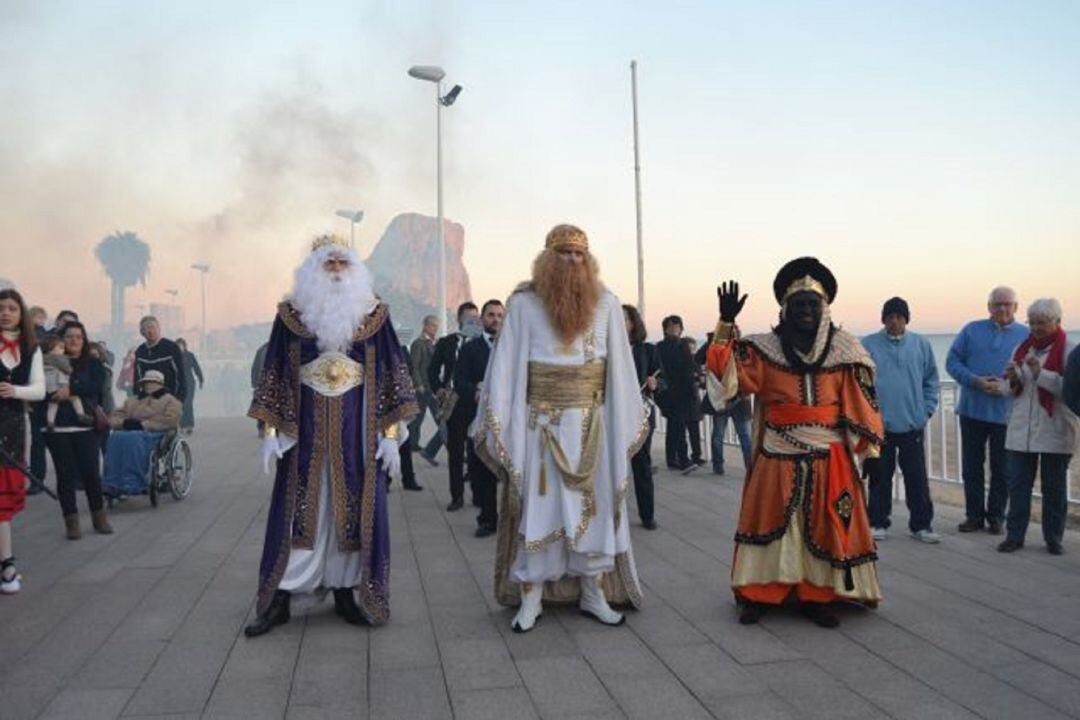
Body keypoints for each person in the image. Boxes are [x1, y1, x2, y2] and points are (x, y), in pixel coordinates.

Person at [472, 224, 647, 633]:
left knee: (596, 511)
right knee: (539, 512)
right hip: (541, 430)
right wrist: (504, 426)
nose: (572, 260)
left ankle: (593, 592)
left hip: (592, 430)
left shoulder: (607, 304)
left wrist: (623, 422)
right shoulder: (523, 305)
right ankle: (531, 598)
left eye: (579, 254)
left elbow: (619, 372)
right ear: (548, 258)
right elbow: (506, 370)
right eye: (564, 253)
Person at [244, 234, 417, 637]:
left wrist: (390, 433)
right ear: (313, 269)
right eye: (328, 264)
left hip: (356, 435)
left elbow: (393, 373)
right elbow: (274, 373)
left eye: (343, 264)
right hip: (303, 433)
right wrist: (270, 430)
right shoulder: (291, 314)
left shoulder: (375, 314)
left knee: (354, 513)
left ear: (355, 269)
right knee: (296, 512)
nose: (337, 272)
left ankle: (345, 591)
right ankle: (280, 599)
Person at [706, 259, 885, 628]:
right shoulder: (762, 349)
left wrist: (871, 451)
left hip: (830, 456)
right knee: (769, 523)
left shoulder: (847, 351)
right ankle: (758, 594)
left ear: (825, 308)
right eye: (798, 304)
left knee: (825, 525)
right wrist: (724, 326)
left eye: (812, 304)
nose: (805, 310)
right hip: (776, 454)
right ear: (784, 309)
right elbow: (727, 381)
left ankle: (816, 596)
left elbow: (863, 402)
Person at [997, 299, 1078, 555]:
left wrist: (1040, 373)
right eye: (1032, 322)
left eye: (1042, 322)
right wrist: (1010, 379)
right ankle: (1014, 536)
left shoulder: (1069, 350)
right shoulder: (1022, 349)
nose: (1036, 328)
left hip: (1055, 429)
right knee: (1018, 485)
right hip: (1023, 431)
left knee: (1054, 488)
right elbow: (1009, 391)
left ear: (1057, 322)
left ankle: (1053, 538)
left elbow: (1072, 391)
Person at [946, 286, 1028, 535]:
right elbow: (952, 362)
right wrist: (975, 381)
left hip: (1006, 415)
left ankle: (996, 517)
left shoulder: (1026, 336)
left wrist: (1005, 386)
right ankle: (974, 516)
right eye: (997, 304)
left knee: (1002, 470)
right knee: (971, 468)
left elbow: (1030, 375)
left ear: (1016, 306)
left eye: (1007, 304)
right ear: (989, 307)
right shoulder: (971, 330)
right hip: (972, 411)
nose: (1002, 308)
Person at [862, 297, 941, 543]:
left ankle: (921, 525)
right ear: (883, 319)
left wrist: (926, 411)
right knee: (879, 477)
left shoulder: (921, 344)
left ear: (907, 319)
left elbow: (931, 380)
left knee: (916, 477)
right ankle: (877, 522)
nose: (894, 321)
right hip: (879, 426)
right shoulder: (868, 345)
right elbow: (859, 383)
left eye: (899, 317)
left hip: (912, 424)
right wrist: (867, 415)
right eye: (889, 317)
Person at [43, 321, 113, 539]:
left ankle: (99, 518)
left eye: (78, 337)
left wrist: (71, 389)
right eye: (69, 336)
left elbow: (97, 386)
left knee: (91, 473)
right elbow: (39, 389)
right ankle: (71, 522)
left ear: (84, 340)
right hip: (57, 428)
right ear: (61, 340)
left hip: (85, 427)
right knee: (65, 476)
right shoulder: (47, 361)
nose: (74, 340)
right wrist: (54, 392)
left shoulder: (92, 364)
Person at [0, 289, 45, 594]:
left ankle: (7, 566)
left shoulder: (31, 349)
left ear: (21, 314)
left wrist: (15, 392)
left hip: (14, 429)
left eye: (12, 308)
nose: (5, 313)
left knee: (3, 502)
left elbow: (39, 390)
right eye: (1, 308)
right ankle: (8, 565)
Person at [455, 299, 504, 537]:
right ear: (482, 319)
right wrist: (475, 389)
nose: (495, 319)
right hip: (478, 420)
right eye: (491, 315)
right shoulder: (469, 348)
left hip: (508, 421)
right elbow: (459, 381)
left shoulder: (513, 349)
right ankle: (487, 519)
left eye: (499, 315)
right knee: (481, 472)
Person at [428, 301, 480, 509]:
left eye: (476, 318)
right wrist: (438, 388)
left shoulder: (483, 344)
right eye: (469, 318)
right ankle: (456, 496)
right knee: (456, 452)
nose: (473, 322)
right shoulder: (446, 343)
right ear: (459, 319)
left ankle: (479, 495)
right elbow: (433, 370)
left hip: (476, 402)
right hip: (453, 403)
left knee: (477, 452)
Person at [102, 370, 183, 497]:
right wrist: (124, 423)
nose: (149, 385)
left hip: (155, 434)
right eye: (147, 382)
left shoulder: (171, 401)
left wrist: (143, 425)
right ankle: (111, 482)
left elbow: (171, 421)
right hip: (130, 432)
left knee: (133, 438)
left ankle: (133, 482)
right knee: (115, 437)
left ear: (160, 384)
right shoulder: (132, 400)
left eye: (153, 382)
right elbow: (114, 416)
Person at [625, 304, 662, 529]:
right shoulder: (604, 350)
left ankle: (647, 515)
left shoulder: (648, 350)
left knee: (642, 465)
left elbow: (662, 378)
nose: (621, 323)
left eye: (625, 319)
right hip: (612, 417)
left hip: (641, 414)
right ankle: (608, 516)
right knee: (611, 468)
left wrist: (655, 383)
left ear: (634, 323)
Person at [696, 329, 753, 476]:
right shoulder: (714, 347)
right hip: (723, 398)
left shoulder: (742, 347)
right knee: (720, 435)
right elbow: (697, 359)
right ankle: (719, 465)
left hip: (738, 398)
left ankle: (750, 467)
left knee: (743, 436)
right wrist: (711, 342)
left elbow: (752, 369)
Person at [656, 315, 699, 473]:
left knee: (675, 426)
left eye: (677, 326)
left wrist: (692, 390)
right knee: (678, 426)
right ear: (665, 329)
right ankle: (684, 460)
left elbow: (690, 368)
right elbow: (658, 369)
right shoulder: (660, 347)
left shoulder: (683, 346)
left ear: (681, 329)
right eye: (670, 326)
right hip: (668, 393)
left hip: (682, 393)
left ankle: (672, 459)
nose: (674, 329)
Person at [408, 315, 443, 461]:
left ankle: (444, 444)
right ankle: (412, 444)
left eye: (436, 326)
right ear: (425, 326)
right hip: (423, 387)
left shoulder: (436, 343)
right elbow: (414, 366)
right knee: (418, 418)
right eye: (432, 326)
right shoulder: (419, 343)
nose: (435, 329)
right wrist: (418, 384)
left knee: (441, 418)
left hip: (433, 387)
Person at [134, 316, 187, 402]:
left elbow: (181, 377)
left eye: (152, 327)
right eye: (146, 328)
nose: (150, 331)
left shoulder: (172, 348)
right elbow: (137, 379)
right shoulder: (140, 352)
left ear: (159, 328)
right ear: (142, 332)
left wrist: (179, 402)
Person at [42, 334, 89, 429]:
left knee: (53, 404)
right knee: (75, 398)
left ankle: (50, 422)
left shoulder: (42, 358)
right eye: (60, 348)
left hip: (48, 388)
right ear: (51, 347)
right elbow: (68, 369)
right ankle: (81, 415)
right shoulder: (58, 358)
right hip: (58, 385)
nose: (63, 351)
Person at [175, 338, 204, 434]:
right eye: (178, 346)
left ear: (184, 346)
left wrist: (201, 379)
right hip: (178, 384)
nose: (180, 347)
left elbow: (196, 368)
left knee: (188, 403)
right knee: (181, 405)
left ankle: (189, 425)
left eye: (181, 345)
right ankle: (182, 425)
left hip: (189, 383)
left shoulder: (190, 356)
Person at [250, 341, 269, 436]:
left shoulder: (261, 349)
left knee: (262, 406)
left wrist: (254, 383)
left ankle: (262, 428)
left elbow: (254, 368)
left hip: (261, 384)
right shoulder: (281, 349)